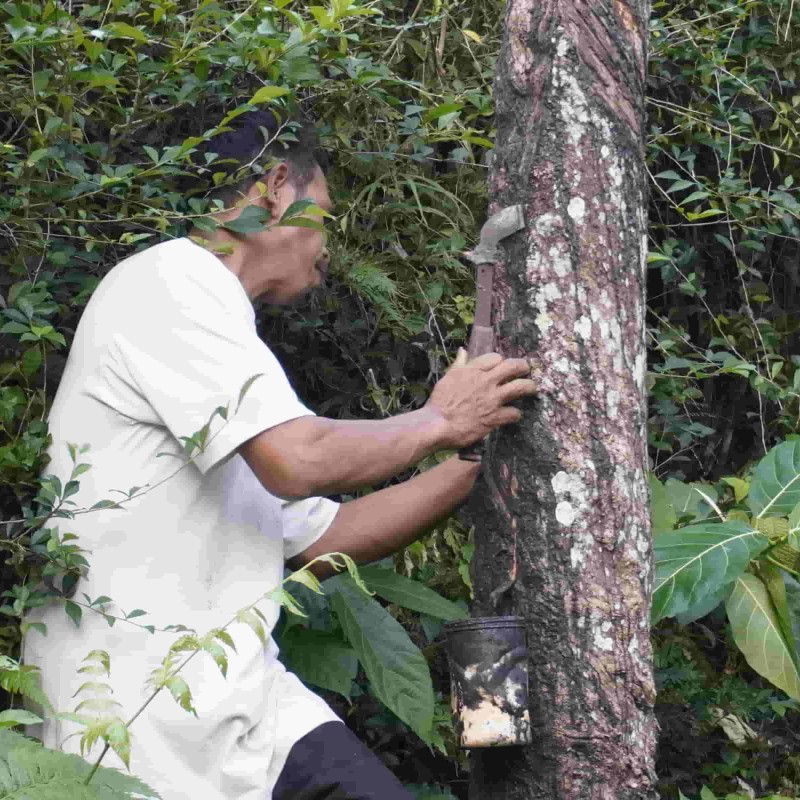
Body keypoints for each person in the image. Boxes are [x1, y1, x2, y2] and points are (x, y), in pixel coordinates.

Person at [22, 110, 536, 799]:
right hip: (135, 715)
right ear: (275, 185)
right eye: (322, 212)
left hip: (248, 705)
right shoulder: (172, 278)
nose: (329, 249)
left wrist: (478, 458)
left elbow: (328, 540)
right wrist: (440, 419)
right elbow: (297, 458)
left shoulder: (219, 344)